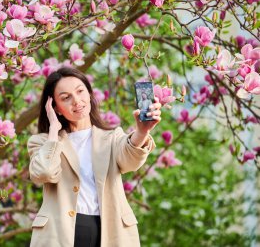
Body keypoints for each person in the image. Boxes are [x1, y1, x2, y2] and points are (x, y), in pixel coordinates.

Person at [27, 67, 162, 247]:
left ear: (90, 94)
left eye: (80, 91)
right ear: (55, 108)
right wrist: (53, 131)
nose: (76, 101)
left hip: (109, 230)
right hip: (61, 233)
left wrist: (142, 131)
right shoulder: (42, 142)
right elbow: (44, 173)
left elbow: (130, 160)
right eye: (66, 97)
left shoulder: (112, 137)